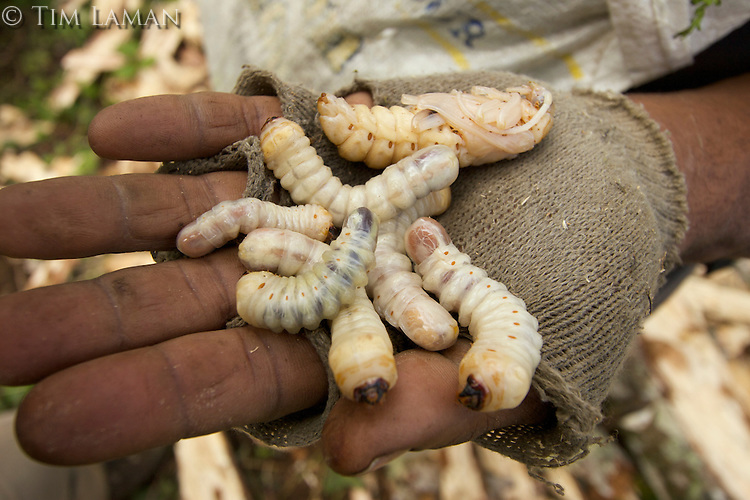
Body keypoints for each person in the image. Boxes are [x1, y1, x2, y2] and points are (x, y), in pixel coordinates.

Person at [0, 0, 748, 487]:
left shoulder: (370, 226)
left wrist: (667, 159)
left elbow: (361, 222)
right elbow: (354, 218)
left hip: (397, 187)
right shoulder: (351, 217)